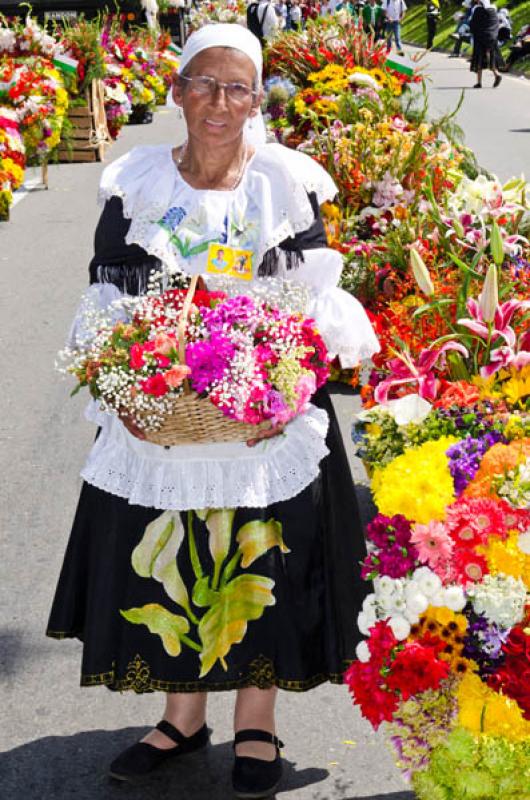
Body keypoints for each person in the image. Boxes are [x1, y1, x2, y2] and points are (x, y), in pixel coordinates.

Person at [46, 23, 379, 800]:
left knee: (263, 553)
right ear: (177, 92)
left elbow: (313, 301)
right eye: (204, 84)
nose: (219, 103)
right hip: (167, 409)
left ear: (256, 98)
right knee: (166, 549)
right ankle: (183, 716)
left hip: (262, 410)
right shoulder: (138, 184)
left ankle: (255, 719)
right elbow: (110, 295)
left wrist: (280, 383)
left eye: (236, 88)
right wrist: (125, 382)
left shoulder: (284, 184)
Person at [470, 0, 502, 88]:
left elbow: (473, 24)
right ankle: (497, 74)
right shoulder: (493, 10)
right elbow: (496, 24)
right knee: (491, 58)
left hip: (480, 38)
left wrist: (473, 32)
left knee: (479, 59)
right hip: (491, 38)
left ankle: (479, 82)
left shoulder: (477, 10)